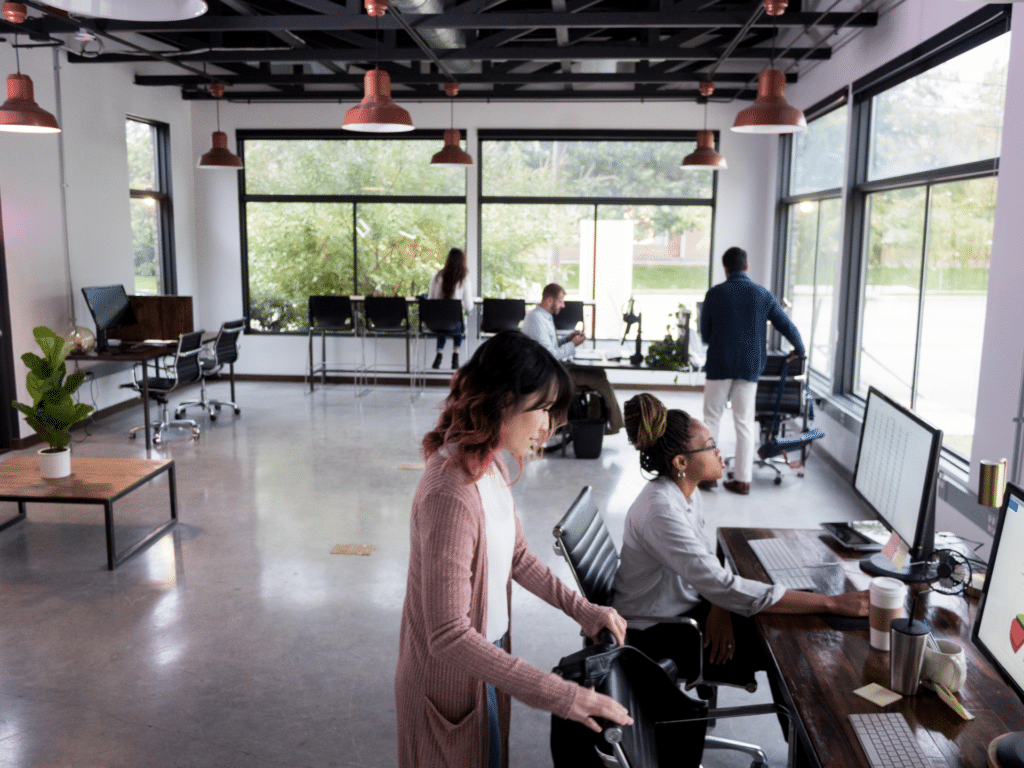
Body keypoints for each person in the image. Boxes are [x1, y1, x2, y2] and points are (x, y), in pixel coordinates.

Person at [395, 330, 633, 768]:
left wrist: (583, 610)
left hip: (489, 654)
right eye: (540, 408)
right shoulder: (451, 492)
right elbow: (447, 635)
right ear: (503, 402)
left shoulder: (489, 461)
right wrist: (561, 695)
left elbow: (517, 556)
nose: (547, 425)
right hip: (453, 678)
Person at [612, 393, 868, 698]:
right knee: (789, 631)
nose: (720, 452)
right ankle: (807, 727)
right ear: (681, 462)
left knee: (785, 608)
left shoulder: (682, 492)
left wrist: (721, 604)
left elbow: (705, 564)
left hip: (684, 606)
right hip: (655, 633)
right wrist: (834, 603)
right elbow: (720, 581)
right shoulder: (662, 512)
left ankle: (796, 728)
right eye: (709, 446)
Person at [699, 247, 805, 495]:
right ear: (746, 267)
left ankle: (709, 476)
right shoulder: (763, 295)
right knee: (744, 423)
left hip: (719, 364)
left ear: (725, 268)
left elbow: (705, 335)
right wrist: (798, 348)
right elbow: (787, 325)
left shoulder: (714, 294)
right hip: (749, 367)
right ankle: (743, 481)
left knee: (711, 419)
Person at [521, 283, 624, 435]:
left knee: (600, 373)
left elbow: (550, 345)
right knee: (600, 380)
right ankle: (615, 425)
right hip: (550, 376)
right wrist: (573, 345)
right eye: (561, 301)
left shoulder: (543, 317)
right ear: (550, 301)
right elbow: (550, 356)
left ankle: (595, 423)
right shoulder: (536, 319)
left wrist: (567, 339)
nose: (563, 306)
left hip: (554, 369)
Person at [428, 247, 475, 370]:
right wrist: (463, 308)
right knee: (458, 323)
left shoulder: (437, 277)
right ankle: (456, 354)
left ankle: (439, 354)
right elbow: (469, 306)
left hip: (436, 325)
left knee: (443, 323)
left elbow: (430, 301)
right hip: (455, 326)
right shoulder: (463, 279)